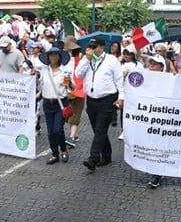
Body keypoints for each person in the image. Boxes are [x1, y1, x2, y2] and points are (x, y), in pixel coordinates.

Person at [75, 38, 124, 172]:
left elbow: (119, 79)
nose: (91, 49)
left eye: (94, 46)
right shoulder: (87, 59)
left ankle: (93, 158)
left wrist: (121, 97)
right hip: (91, 100)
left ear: (102, 47)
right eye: (90, 46)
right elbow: (78, 74)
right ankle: (107, 156)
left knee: (100, 129)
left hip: (107, 99)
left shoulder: (111, 60)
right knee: (98, 130)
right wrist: (86, 59)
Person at [39, 46, 73, 164]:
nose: (53, 57)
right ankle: (55, 154)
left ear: (59, 57)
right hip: (47, 103)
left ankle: (63, 149)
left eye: (55, 55)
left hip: (61, 103)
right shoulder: (44, 70)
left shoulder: (65, 71)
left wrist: (69, 83)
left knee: (57, 129)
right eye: (51, 55)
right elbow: (40, 85)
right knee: (50, 130)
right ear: (48, 57)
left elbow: (71, 88)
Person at [144, 56, 169, 189]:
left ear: (162, 67)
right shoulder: (145, 78)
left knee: (158, 144)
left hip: (162, 118)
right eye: (150, 63)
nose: (151, 65)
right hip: (147, 117)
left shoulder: (169, 80)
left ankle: (156, 174)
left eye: (155, 64)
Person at [64, 38, 85, 147]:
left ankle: (72, 137)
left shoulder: (81, 59)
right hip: (67, 90)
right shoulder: (64, 60)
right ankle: (75, 134)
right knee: (69, 114)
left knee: (75, 114)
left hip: (78, 91)